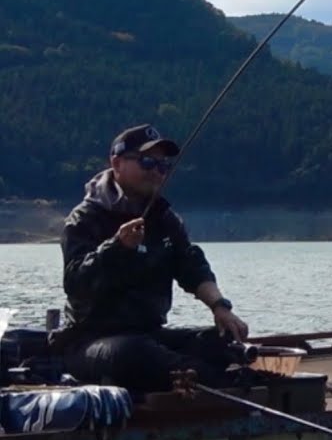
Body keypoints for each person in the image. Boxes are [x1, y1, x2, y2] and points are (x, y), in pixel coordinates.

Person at [56, 124, 251, 392]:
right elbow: (76, 284)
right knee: (133, 354)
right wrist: (117, 249)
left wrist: (220, 307)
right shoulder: (85, 218)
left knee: (220, 340)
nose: (156, 171)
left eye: (163, 165)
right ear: (117, 163)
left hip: (150, 334)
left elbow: (192, 266)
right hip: (92, 341)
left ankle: (192, 374)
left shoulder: (165, 218)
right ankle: (212, 381)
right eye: (147, 162)